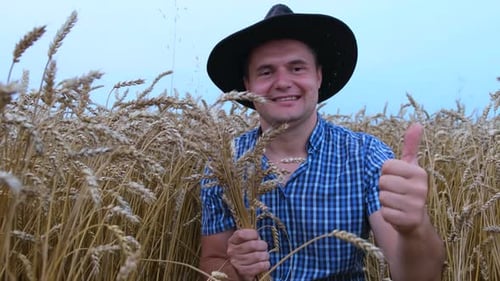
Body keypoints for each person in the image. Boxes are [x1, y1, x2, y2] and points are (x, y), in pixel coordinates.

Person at [200, 4, 445, 281]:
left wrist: (416, 228)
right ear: (247, 85)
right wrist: (236, 270)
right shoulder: (225, 165)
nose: (282, 82)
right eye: (266, 72)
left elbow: (416, 276)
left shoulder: (365, 156)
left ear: (318, 75)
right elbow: (212, 262)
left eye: (297, 67)